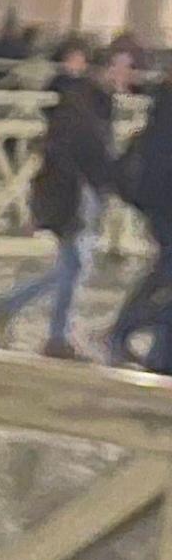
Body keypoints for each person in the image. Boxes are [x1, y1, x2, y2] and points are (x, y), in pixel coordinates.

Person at [0, 42, 125, 359]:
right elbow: (91, 152)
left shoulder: (84, 100)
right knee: (75, 265)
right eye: (121, 67)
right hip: (76, 193)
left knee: (72, 266)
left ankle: (13, 305)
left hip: (73, 191)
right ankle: (52, 334)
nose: (126, 75)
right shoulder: (88, 102)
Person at [111, 74, 172, 374]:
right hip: (165, 205)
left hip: (157, 205)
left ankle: (160, 356)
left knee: (164, 274)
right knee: (165, 274)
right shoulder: (165, 115)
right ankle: (126, 328)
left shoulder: (159, 108)